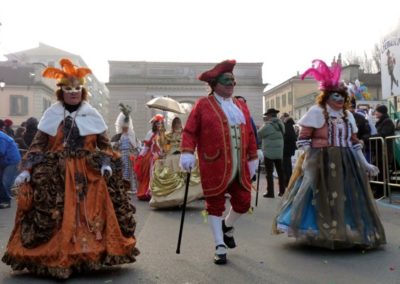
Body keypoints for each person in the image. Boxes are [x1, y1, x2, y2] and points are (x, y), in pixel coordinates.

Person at [2, 58, 139, 279]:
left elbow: (104, 146)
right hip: (56, 174)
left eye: (77, 89)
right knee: (57, 214)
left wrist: (105, 163)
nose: (73, 92)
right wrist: (27, 169)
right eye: (68, 89)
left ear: (83, 92)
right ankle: (59, 257)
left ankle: (87, 256)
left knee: (90, 216)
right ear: (61, 92)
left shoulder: (92, 114)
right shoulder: (51, 115)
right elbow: (38, 144)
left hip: (88, 175)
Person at [273, 59, 386, 249]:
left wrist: (365, 165)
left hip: (346, 162)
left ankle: (345, 230)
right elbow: (304, 139)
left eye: (342, 96)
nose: (340, 100)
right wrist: (312, 160)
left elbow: (354, 143)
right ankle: (318, 231)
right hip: (320, 161)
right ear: (326, 96)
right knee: (318, 196)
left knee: (347, 196)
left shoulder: (347, 116)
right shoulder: (316, 112)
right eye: (335, 96)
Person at [180, 60, 261, 264]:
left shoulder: (241, 105)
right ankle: (219, 244)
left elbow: (249, 133)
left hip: (240, 165)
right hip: (214, 163)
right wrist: (187, 152)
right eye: (227, 80)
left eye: (233, 81)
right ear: (215, 83)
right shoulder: (203, 105)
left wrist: (254, 155)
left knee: (243, 202)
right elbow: (190, 130)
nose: (231, 84)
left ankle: (227, 226)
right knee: (214, 204)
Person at [149, 117, 203, 208]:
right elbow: (164, 147)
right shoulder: (168, 135)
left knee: (185, 176)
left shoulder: (185, 134)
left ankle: (181, 199)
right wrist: (162, 133)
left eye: (179, 124)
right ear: (173, 126)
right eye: (175, 124)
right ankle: (170, 200)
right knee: (169, 170)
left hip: (181, 157)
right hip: (171, 157)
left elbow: (191, 145)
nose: (177, 126)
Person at [111, 103, 140, 194]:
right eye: (123, 127)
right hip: (121, 156)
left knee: (131, 172)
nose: (125, 129)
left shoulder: (132, 135)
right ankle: (123, 187)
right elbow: (114, 146)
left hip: (130, 156)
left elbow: (136, 146)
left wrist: (134, 151)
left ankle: (132, 187)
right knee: (123, 171)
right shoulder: (118, 136)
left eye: (126, 127)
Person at [134, 114, 164, 201]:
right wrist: (140, 155)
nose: (159, 125)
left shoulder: (163, 134)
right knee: (150, 172)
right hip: (151, 156)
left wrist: (164, 152)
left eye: (161, 123)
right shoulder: (150, 133)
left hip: (161, 155)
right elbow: (146, 147)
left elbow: (165, 146)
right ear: (154, 124)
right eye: (157, 123)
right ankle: (148, 192)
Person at [258, 108, 286, 197]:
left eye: (267, 115)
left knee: (269, 173)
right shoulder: (281, 124)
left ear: (269, 116)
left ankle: (270, 192)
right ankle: (282, 191)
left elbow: (259, 134)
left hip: (269, 152)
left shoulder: (268, 126)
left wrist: (264, 124)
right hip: (279, 152)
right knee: (280, 172)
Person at [370, 104, 395, 198]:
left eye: (377, 111)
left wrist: (371, 137)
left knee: (383, 171)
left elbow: (383, 134)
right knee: (379, 171)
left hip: (384, 151)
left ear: (381, 112)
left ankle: (382, 192)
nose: (375, 113)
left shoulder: (387, 121)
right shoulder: (381, 121)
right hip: (379, 150)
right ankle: (379, 191)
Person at [0, 131, 21, 209]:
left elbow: (1, 151)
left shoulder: (1, 137)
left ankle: (6, 201)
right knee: (1, 180)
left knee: (5, 181)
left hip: (11, 161)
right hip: (5, 161)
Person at [281, 112, 297, 187]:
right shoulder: (290, 125)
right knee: (288, 164)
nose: (281, 119)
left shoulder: (287, 125)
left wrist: (283, 139)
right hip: (289, 148)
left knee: (286, 165)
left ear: (285, 118)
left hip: (286, 148)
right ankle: (288, 180)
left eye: (282, 117)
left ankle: (287, 181)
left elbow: (290, 137)